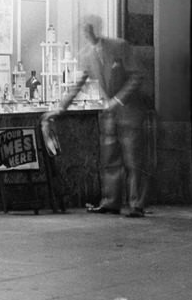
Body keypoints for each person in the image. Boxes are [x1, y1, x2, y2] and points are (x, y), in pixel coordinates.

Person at [48, 16, 151, 217]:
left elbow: (137, 75)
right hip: (109, 115)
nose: (86, 33)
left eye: (89, 29)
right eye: (83, 30)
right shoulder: (86, 55)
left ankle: (136, 204)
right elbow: (78, 85)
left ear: (97, 29)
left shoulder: (120, 46)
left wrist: (118, 100)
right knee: (109, 159)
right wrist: (60, 108)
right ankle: (110, 202)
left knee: (133, 160)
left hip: (129, 112)